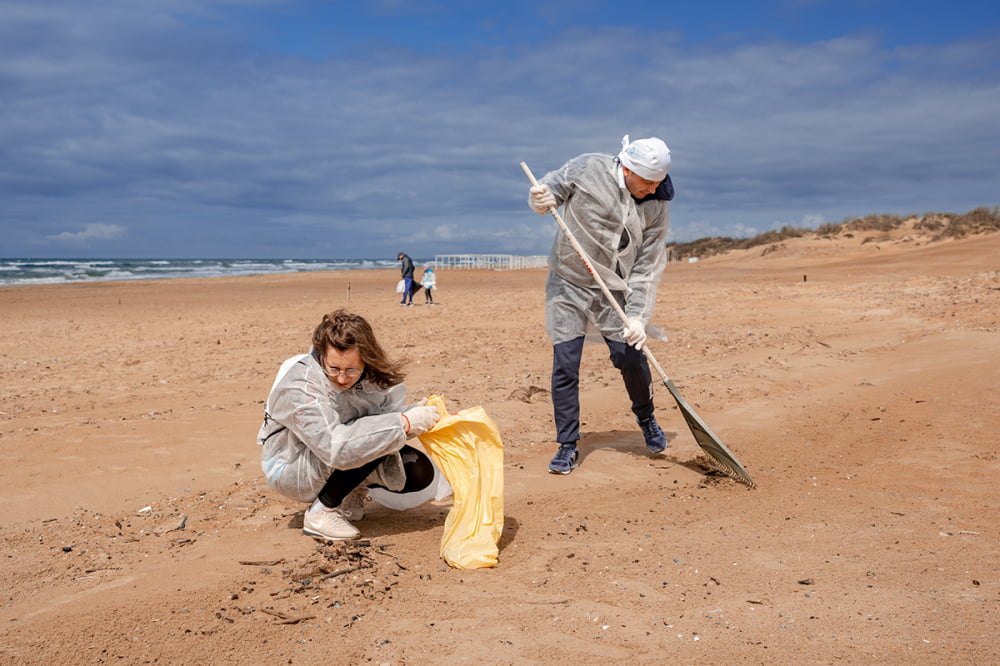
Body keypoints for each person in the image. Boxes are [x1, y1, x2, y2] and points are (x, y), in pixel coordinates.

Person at [527, 135, 674, 474]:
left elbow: (646, 267)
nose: (653, 189)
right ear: (627, 169)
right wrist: (540, 199)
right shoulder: (588, 167)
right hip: (568, 283)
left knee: (630, 357)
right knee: (566, 363)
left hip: (614, 289)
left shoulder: (656, 206)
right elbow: (549, 191)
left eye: (659, 182)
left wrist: (637, 317)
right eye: (648, 182)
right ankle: (567, 444)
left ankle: (646, 417)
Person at [257, 309, 441, 540]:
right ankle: (321, 512)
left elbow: (380, 418)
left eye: (352, 369)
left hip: (338, 448)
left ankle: (350, 491)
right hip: (292, 464)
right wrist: (402, 424)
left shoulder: (372, 377)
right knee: (371, 439)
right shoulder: (301, 388)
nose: (342, 378)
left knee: (417, 470)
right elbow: (336, 447)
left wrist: (418, 415)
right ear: (321, 355)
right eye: (333, 369)